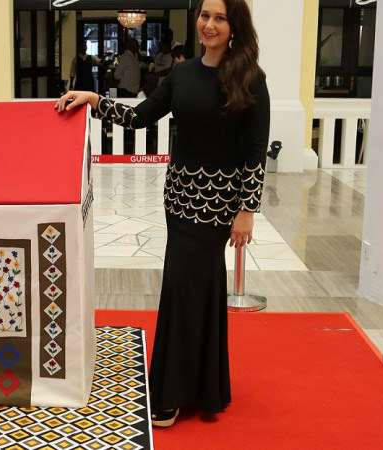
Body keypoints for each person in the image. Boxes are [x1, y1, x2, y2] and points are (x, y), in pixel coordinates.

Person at [55, 0, 269, 428]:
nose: (209, 24)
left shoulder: (250, 78)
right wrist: (95, 100)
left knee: (189, 288)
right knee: (185, 287)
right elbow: (140, 116)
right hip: (179, 201)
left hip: (218, 206)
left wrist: (247, 210)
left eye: (220, 18)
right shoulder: (183, 75)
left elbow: (255, 150)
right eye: (205, 15)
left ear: (235, 26)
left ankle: (174, 392)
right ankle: (202, 386)